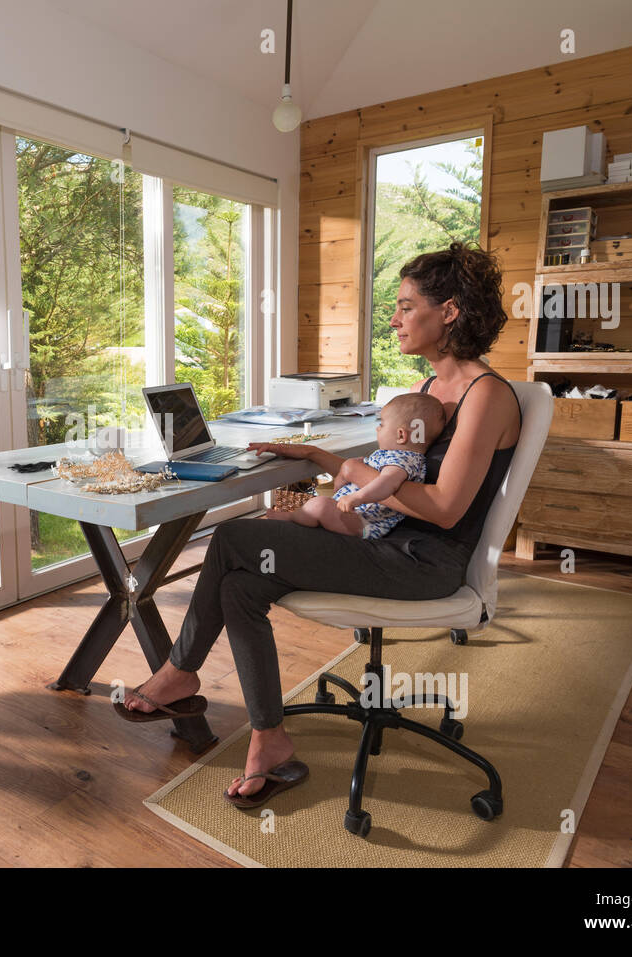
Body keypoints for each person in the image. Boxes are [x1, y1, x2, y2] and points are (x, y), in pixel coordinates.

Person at [115, 241, 523, 808]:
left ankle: (180, 674)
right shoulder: (430, 392)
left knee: (233, 536)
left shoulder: (487, 396)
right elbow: (388, 472)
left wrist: (355, 472)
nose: (395, 318)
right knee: (240, 584)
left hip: (422, 563)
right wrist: (316, 458)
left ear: (449, 311)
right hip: (382, 539)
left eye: (407, 306)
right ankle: (269, 740)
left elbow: (446, 508)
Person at [264, 392, 446, 539]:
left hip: (364, 523)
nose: (378, 429)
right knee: (319, 505)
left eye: (381, 424)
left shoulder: (401, 461)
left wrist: (358, 497)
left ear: (401, 435)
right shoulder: (396, 457)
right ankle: (296, 518)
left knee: (318, 505)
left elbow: (386, 484)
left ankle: (291, 518)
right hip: (356, 515)